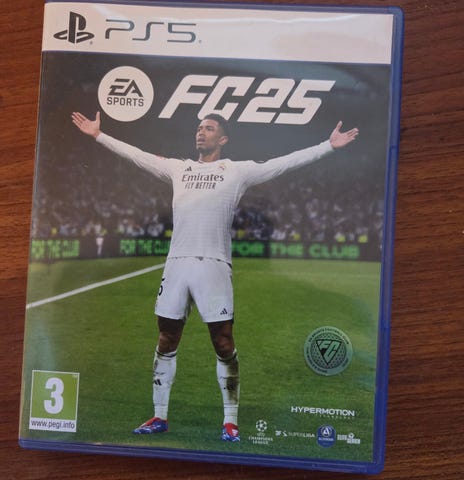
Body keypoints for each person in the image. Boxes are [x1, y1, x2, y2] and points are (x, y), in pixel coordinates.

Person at [71, 110, 359, 442]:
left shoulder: (237, 171)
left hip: (214, 265)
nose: (201, 132)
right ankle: (159, 416)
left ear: (222, 138)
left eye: (209, 128)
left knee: (223, 342)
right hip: (177, 264)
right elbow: (138, 156)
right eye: (199, 127)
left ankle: (230, 421)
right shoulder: (179, 168)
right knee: (166, 338)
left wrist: (328, 146)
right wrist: (99, 135)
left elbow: (282, 164)